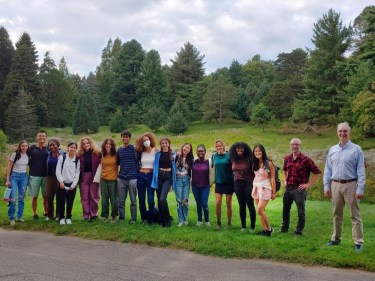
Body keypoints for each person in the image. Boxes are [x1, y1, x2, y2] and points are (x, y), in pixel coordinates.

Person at [323, 122, 366, 252]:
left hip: (351, 185)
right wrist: (326, 186)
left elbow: (361, 170)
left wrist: (360, 188)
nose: (343, 133)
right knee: (336, 214)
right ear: (337, 132)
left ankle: (358, 241)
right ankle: (336, 239)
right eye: (340, 131)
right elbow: (327, 169)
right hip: (335, 184)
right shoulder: (333, 150)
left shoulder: (356, 149)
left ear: (349, 132)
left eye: (345, 131)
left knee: (355, 214)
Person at [281, 138, 321, 236]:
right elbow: (284, 170)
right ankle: (284, 228)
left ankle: (298, 232)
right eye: (293, 144)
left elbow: (317, 172)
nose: (295, 146)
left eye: (297, 144)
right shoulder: (287, 158)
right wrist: (285, 180)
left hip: (299, 190)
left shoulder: (306, 160)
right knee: (285, 210)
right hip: (289, 189)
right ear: (290, 146)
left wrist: (308, 184)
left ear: (300, 146)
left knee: (301, 212)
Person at [229, 142, 256, 232]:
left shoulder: (249, 158)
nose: (239, 150)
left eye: (241, 148)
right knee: (241, 205)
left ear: (245, 149)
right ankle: (243, 226)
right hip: (237, 184)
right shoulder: (233, 159)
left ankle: (252, 227)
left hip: (248, 183)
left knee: (250, 205)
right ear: (235, 149)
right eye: (238, 148)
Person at [151, 138, 176, 227]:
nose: (164, 144)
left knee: (162, 199)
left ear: (169, 144)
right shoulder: (158, 154)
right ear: (161, 145)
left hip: (168, 177)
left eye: (166, 143)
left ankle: (167, 220)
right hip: (159, 176)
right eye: (162, 143)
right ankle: (162, 218)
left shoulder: (173, 154)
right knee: (159, 199)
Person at [252, 144, 276, 236]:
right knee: (261, 211)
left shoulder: (268, 163)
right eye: (255, 151)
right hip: (256, 188)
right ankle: (264, 230)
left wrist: (274, 192)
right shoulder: (255, 163)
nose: (257, 153)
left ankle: (270, 229)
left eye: (259, 151)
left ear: (263, 152)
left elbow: (273, 178)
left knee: (259, 209)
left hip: (265, 188)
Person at [77, 137, 102, 222]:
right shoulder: (79, 154)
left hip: (94, 176)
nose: (86, 145)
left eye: (87, 143)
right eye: (83, 144)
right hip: (83, 177)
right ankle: (86, 215)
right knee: (84, 197)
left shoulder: (97, 153)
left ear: (91, 143)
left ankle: (94, 214)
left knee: (94, 196)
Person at [134, 132, 158, 223]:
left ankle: (151, 218)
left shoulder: (155, 151)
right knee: (141, 198)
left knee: (151, 199)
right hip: (141, 176)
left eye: (147, 140)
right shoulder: (140, 152)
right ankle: (144, 218)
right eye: (144, 140)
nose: (146, 142)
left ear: (151, 140)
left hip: (151, 176)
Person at [55, 141, 80, 225]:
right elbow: (58, 171)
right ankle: (61, 218)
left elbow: (77, 173)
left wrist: (73, 185)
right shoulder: (62, 157)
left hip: (72, 185)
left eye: (74, 147)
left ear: (76, 149)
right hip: (62, 184)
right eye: (71, 147)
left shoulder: (77, 160)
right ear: (68, 148)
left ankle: (68, 217)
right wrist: (61, 182)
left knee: (70, 202)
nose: (72, 149)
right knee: (61, 201)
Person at [5, 140, 29, 225]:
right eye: (23, 146)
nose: (25, 147)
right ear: (20, 146)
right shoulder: (14, 154)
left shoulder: (28, 155)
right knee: (13, 198)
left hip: (23, 177)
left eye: (26, 146)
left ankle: (19, 216)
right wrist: (7, 180)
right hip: (14, 177)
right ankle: (11, 218)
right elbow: (9, 168)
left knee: (21, 198)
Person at [117, 130, 138, 224]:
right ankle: (121, 218)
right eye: (123, 136)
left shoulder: (134, 148)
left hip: (133, 177)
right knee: (121, 201)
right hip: (121, 177)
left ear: (129, 138)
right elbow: (117, 163)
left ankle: (133, 218)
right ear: (121, 138)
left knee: (133, 200)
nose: (125, 138)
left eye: (127, 137)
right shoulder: (119, 150)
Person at [212, 140, 233, 228]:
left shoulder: (229, 156)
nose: (219, 147)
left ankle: (229, 222)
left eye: (220, 146)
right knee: (218, 202)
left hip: (229, 182)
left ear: (223, 146)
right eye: (217, 146)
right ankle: (218, 222)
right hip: (219, 182)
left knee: (228, 203)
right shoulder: (214, 156)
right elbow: (212, 168)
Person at [28, 130, 49, 220]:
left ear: (46, 138)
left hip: (46, 175)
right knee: (34, 196)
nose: (42, 138)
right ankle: (35, 213)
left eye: (43, 136)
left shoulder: (48, 149)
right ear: (37, 138)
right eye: (40, 136)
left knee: (45, 196)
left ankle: (46, 212)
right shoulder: (31, 149)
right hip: (34, 175)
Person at [175, 143, 194, 226]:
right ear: (182, 147)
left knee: (185, 201)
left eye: (188, 148)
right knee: (179, 201)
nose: (186, 149)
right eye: (185, 147)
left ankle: (185, 219)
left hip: (186, 180)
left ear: (190, 151)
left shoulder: (191, 159)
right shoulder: (176, 156)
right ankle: (180, 220)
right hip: (178, 180)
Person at [191, 144, 211, 226]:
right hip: (195, 186)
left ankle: (207, 220)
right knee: (198, 203)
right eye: (198, 151)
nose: (200, 153)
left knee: (204, 203)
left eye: (202, 151)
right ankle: (199, 220)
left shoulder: (209, 162)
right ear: (196, 152)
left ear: (205, 152)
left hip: (205, 186)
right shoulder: (194, 161)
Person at [100, 138, 118, 223]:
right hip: (103, 179)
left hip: (113, 180)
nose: (108, 145)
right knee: (104, 200)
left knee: (113, 200)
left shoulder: (116, 154)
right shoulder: (101, 154)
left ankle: (114, 216)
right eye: (106, 144)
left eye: (110, 144)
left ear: (112, 145)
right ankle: (105, 216)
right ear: (104, 145)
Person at [45, 138, 63, 221]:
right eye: (50, 145)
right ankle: (50, 215)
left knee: (59, 197)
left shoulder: (62, 154)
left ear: (58, 146)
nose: (52, 147)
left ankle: (58, 215)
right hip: (50, 177)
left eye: (53, 145)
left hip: (59, 178)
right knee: (49, 197)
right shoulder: (48, 155)